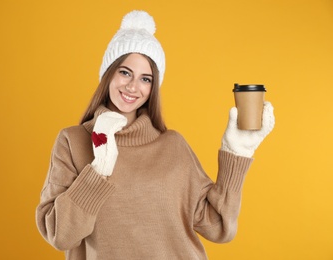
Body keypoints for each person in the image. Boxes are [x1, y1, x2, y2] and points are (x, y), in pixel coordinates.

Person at [35, 10, 275, 260]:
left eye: (145, 79)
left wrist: (236, 151)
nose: (132, 86)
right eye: (125, 72)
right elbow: (60, 234)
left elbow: (218, 226)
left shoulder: (173, 145)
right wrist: (98, 171)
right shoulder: (72, 142)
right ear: (108, 73)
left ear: (153, 88)